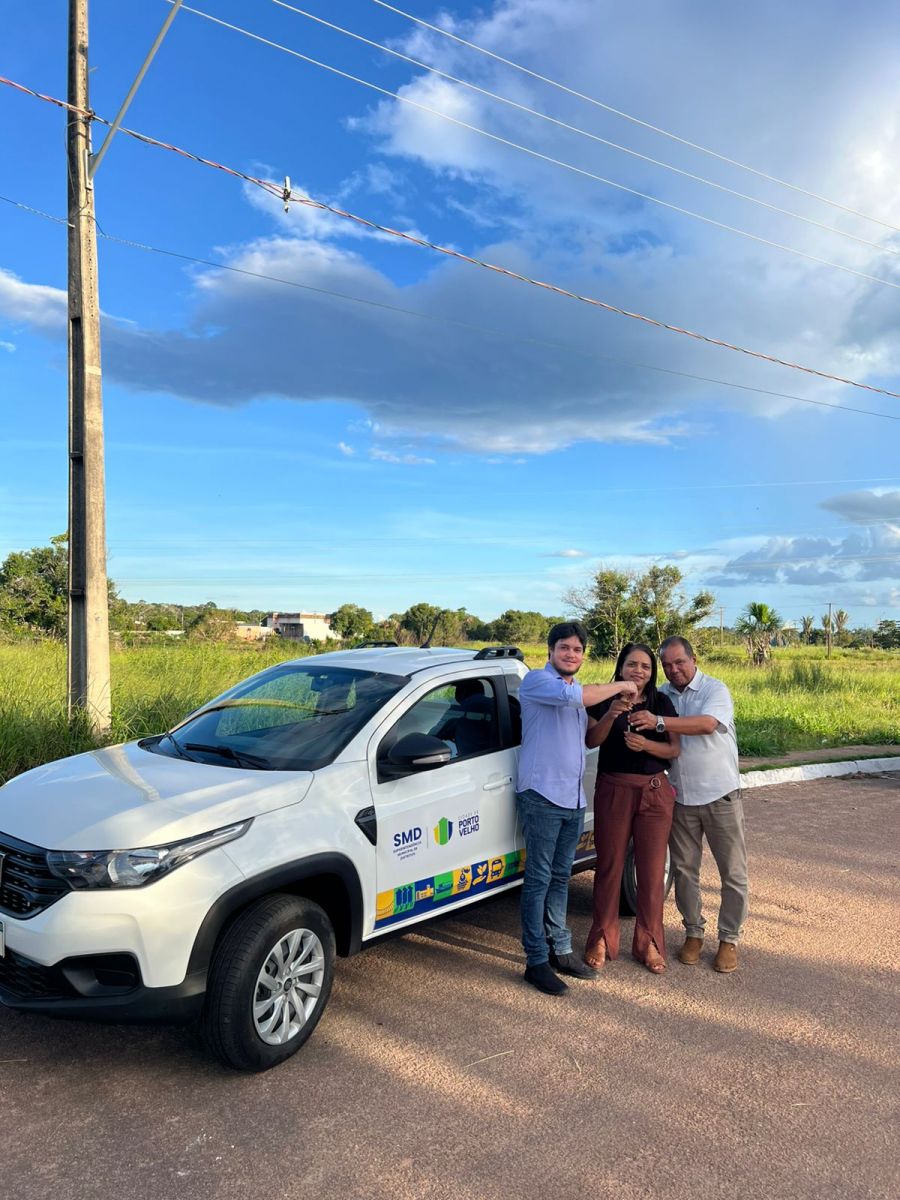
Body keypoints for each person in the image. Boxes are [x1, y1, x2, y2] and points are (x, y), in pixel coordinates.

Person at [516, 621, 638, 995]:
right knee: (538, 879)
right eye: (565, 648)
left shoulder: (575, 692)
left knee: (559, 877)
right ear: (550, 651)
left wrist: (612, 713)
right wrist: (622, 684)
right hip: (542, 796)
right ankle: (535, 961)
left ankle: (561, 950)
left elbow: (591, 738)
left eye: (578, 649)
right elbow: (578, 698)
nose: (571, 654)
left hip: (572, 799)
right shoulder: (538, 682)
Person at [629, 636, 747, 973]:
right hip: (680, 797)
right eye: (667, 664)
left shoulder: (714, 690)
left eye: (680, 662)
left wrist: (659, 721)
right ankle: (693, 932)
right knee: (683, 871)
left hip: (721, 796)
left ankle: (729, 939)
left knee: (733, 873)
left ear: (694, 660)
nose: (674, 669)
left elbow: (707, 724)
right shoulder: (662, 695)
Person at [583, 643, 680, 974]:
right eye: (632, 665)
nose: (638, 671)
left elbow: (674, 750)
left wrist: (646, 743)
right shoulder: (603, 699)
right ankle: (601, 938)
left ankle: (649, 942)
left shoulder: (660, 703)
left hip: (654, 791)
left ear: (652, 673)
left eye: (645, 666)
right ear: (620, 667)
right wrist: (612, 714)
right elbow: (592, 740)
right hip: (614, 788)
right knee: (609, 866)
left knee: (651, 872)